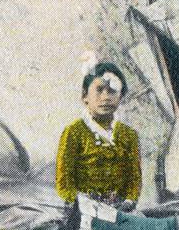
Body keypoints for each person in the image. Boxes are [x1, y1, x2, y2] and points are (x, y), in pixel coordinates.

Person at [55, 62, 141, 211]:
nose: (106, 97)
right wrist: (83, 204)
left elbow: (134, 180)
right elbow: (64, 183)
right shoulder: (74, 132)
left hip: (120, 209)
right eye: (99, 90)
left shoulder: (129, 135)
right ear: (85, 96)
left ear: (121, 96)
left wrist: (128, 202)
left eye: (112, 91)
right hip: (82, 210)